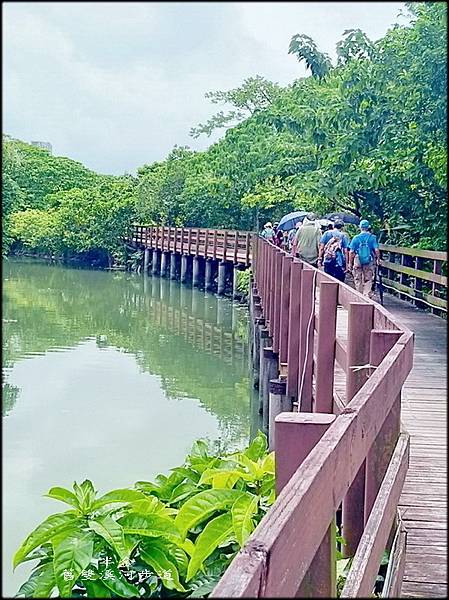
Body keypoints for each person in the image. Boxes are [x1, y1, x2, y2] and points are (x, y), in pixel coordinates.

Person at [348, 219, 380, 298]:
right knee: (368, 278)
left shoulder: (356, 238)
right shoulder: (372, 238)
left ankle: (359, 295)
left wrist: (350, 263)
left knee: (357, 278)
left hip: (358, 259)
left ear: (360, 227)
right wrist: (378, 259)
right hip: (369, 260)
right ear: (368, 227)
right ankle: (366, 295)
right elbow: (376, 250)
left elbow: (351, 252)